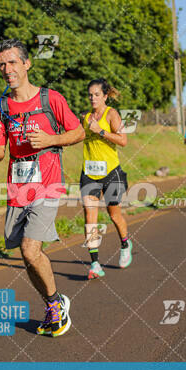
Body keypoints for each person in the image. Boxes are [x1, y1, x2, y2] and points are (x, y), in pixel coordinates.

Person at [0, 39, 85, 337]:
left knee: (31, 249)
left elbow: (78, 131)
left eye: (13, 62)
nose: (7, 69)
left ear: (27, 64)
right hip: (18, 184)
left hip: (48, 182)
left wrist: (51, 140)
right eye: (2, 64)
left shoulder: (50, 99)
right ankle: (53, 303)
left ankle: (55, 305)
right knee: (25, 254)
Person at [79, 78, 131, 279]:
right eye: (90, 95)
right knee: (90, 218)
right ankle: (94, 263)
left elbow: (123, 141)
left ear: (105, 96)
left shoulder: (112, 115)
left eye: (97, 95)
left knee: (114, 214)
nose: (93, 98)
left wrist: (100, 131)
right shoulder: (85, 116)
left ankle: (125, 244)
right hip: (89, 173)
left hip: (111, 173)